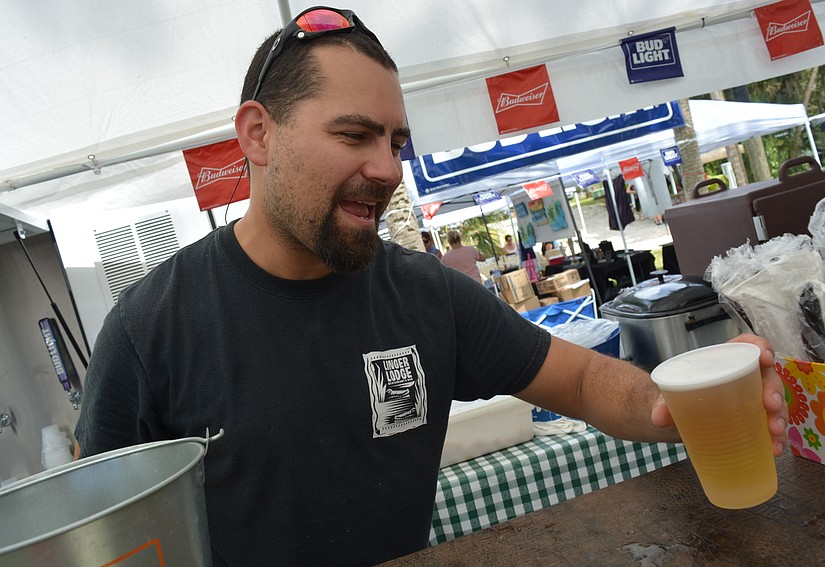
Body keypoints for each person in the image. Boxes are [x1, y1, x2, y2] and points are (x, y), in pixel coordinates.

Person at [74, 6, 788, 566]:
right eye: (355, 136)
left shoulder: (423, 294)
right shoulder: (149, 331)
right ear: (258, 134)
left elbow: (581, 381)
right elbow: (96, 537)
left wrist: (674, 401)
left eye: (395, 143)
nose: (388, 169)